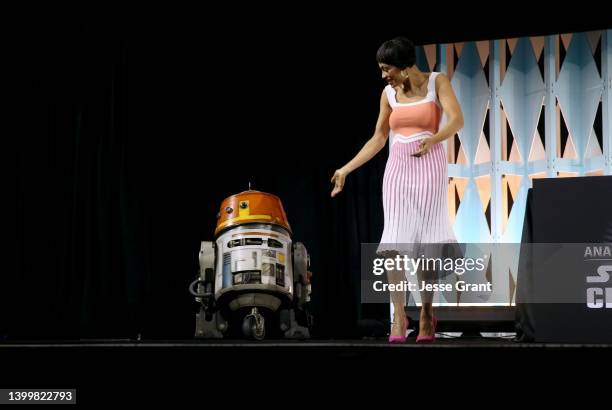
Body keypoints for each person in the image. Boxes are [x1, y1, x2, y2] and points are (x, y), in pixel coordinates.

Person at [330, 37, 464, 343]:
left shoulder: (436, 83)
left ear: (405, 66)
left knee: (429, 242)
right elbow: (378, 138)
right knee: (393, 243)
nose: (383, 75)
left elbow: (457, 119)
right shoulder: (388, 94)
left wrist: (433, 139)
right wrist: (346, 169)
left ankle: (428, 315)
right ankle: (399, 317)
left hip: (430, 166)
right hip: (397, 171)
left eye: (386, 68)